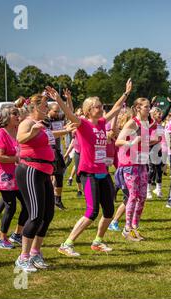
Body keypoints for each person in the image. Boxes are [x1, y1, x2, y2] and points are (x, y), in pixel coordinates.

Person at [55, 79, 132, 256]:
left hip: (102, 173)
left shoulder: (102, 123)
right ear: (89, 110)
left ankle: (97, 241)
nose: (101, 108)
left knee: (109, 211)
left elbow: (116, 109)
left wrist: (126, 93)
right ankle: (67, 244)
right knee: (91, 212)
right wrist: (60, 99)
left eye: (100, 106)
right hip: (88, 173)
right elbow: (69, 113)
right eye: (97, 107)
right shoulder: (82, 123)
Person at [14, 93, 59, 272]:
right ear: (35, 108)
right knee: (35, 214)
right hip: (30, 170)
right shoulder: (27, 122)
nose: (47, 109)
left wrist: (66, 130)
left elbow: (47, 137)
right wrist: (32, 132)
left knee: (48, 214)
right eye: (45, 106)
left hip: (44, 171)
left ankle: (35, 252)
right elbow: (19, 138)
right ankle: (22, 257)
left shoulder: (42, 124)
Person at [116, 97, 158, 241]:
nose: (149, 109)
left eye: (149, 107)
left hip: (141, 162)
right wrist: (133, 141)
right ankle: (127, 229)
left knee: (142, 197)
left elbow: (143, 142)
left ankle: (135, 227)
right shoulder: (133, 123)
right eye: (146, 107)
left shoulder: (146, 123)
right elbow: (118, 140)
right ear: (138, 108)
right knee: (133, 196)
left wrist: (152, 141)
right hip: (130, 164)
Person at [0, 106, 28, 249]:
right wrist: (17, 158)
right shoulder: (1, 133)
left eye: (18, 113)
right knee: (10, 206)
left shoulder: (18, 132)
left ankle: (17, 234)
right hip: (6, 176)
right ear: (6, 117)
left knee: (27, 205)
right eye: (14, 114)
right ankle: (2, 239)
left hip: (19, 175)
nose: (17, 116)